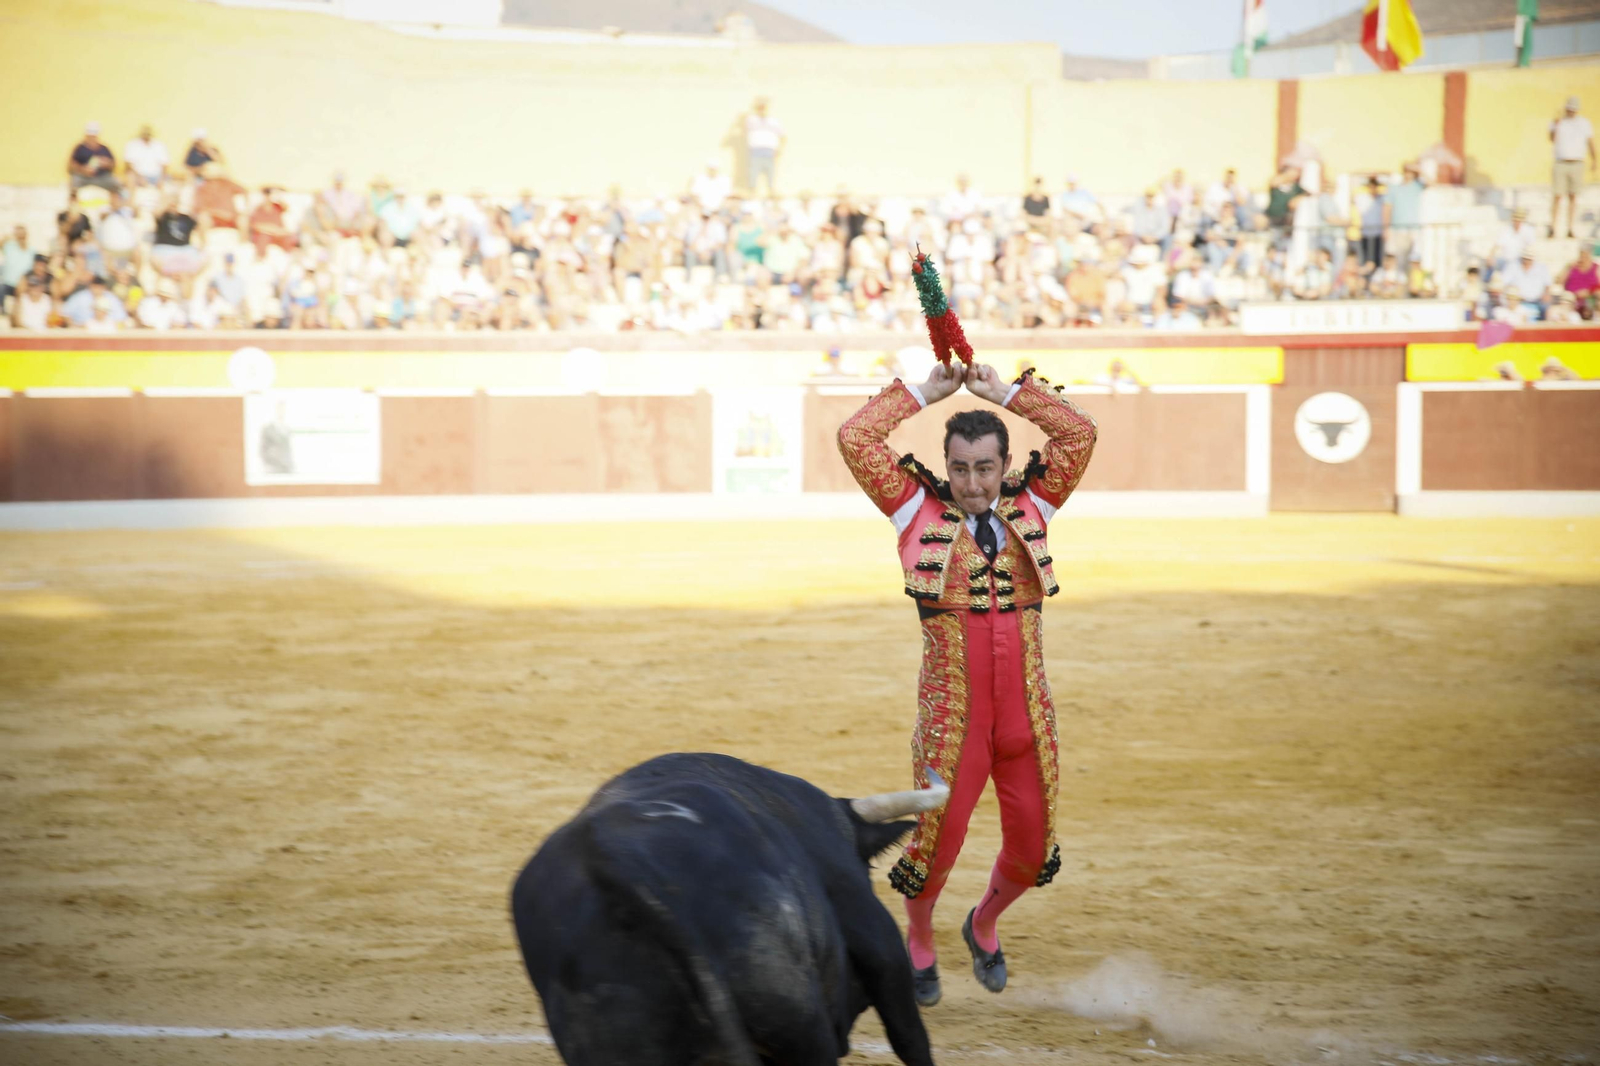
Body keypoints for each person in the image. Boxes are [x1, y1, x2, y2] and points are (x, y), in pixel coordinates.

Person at [836, 356, 1097, 1006]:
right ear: (945, 465)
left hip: (1026, 723)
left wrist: (1008, 392)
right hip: (954, 730)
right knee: (930, 852)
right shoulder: (913, 513)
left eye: (985, 468)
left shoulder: (1032, 506)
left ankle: (983, 924)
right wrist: (925, 392)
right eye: (959, 469)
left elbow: (1079, 437)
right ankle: (919, 940)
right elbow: (856, 440)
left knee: (1033, 852)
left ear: (1006, 465)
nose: (973, 484)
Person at [1549, 96, 1595, 239]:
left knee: (1573, 196)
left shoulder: (1584, 123)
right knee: (1557, 195)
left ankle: (1570, 227)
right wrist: (1556, 126)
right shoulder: (1558, 122)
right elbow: (1552, 139)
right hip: (1561, 162)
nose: (1571, 112)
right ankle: (1553, 226)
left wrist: (1595, 159)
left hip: (1577, 162)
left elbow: (1590, 142)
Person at [743, 97, 785, 198]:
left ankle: (771, 191)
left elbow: (783, 136)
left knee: (770, 172)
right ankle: (752, 192)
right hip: (756, 150)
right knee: (754, 172)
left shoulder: (774, 121)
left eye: (764, 107)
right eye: (760, 108)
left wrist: (779, 149)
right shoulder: (752, 120)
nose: (762, 110)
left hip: (770, 150)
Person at [1388, 162, 1425, 267]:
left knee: (1416, 257)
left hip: (1415, 227)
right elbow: (1387, 207)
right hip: (1399, 227)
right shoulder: (1394, 188)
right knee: (1401, 257)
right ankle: (1402, 278)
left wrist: (1419, 169)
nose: (1410, 174)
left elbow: (1433, 183)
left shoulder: (1417, 186)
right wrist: (1386, 228)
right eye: (1408, 171)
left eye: (1412, 172)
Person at [68, 122, 119, 193]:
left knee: (115, 182)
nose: (92, 138)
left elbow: (113, 164)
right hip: (84, 178)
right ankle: (73, 201)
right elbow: (71, 165)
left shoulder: (104, 149)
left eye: (94, 136)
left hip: (102, 177)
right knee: (75, 180)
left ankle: (119, 202)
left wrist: (107, 164)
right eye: (90, 136)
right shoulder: (80, 148)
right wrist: (83, 170)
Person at [1357, 176, 1389, 268]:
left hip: (1378, 233)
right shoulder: (1362, 198)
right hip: (1366, 233)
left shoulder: (1382, 198)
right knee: (1366, 260)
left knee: (1378, 259)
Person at [1558, 245, 1598, 317]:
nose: (1583, 258)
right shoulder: (1572, 266)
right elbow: (1559, 281)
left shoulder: (1596, 268)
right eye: (1582, 255)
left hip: (1590, 297)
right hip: (1572, 297)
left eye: (1586, 255)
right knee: (1567, 298)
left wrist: (1589, 291)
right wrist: (1568, 267)